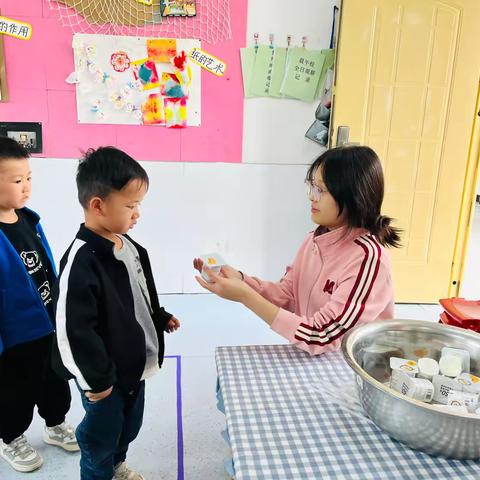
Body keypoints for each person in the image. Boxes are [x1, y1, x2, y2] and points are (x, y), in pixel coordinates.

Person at [194, 145, 401, 355]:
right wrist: (240, 279)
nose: (312, 196)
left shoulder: (368, 259)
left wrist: (246, 296)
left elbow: (321, 335)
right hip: (315, 356)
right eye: (312, 187)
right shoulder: (314, 240)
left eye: (321, 190)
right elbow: (288, 296)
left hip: (352, 368)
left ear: (353, 196)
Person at [51, 146, 181, 480]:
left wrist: (159, 315)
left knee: (129, 425)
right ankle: (99, 472)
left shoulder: (130, 246)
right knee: (100, 437)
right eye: (130, 205)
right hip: (104, 375)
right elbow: (72, 330)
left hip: (133, 366)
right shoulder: (82, 261)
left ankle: (117, 464)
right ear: (98, 205)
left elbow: (138, 294)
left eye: (139, 205)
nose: (137, 214)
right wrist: (97, 383)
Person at [0, 137, 77, 473]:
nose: (27, 187)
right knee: (15, 391)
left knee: (54, 380)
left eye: (29, 177)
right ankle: (11, 437)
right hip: (15, 336)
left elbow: (46, 267)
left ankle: (55, 423)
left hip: (47, 322)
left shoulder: (29, 219)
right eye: (17, 181)